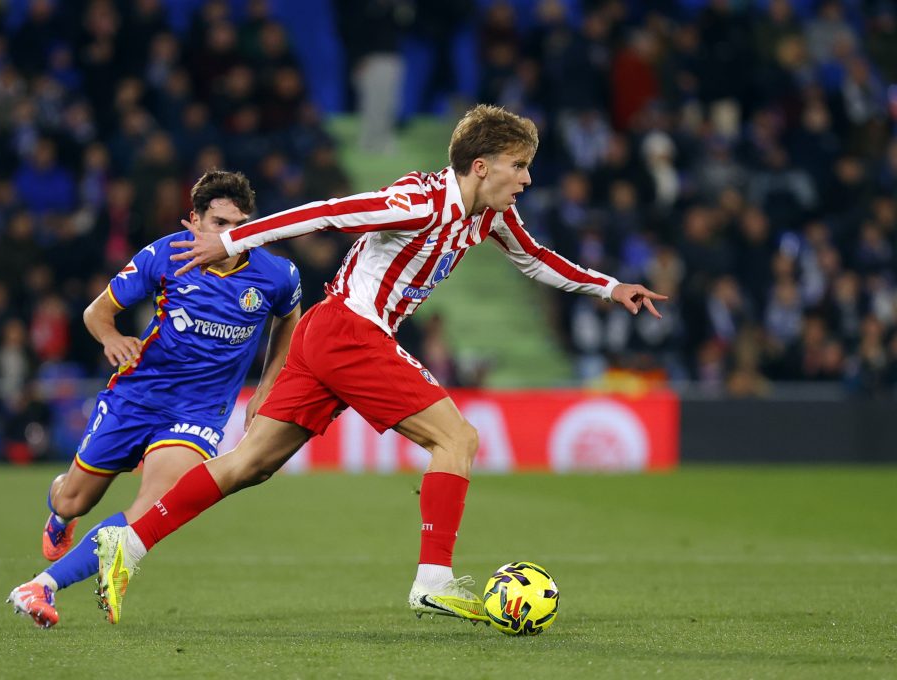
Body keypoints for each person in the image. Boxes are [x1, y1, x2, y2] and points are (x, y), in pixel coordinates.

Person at [95, 105, 665, 625]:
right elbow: (326, 213)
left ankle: (130, 542)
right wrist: (234, 241)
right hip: (350, 330)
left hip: (329, 333)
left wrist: (611, 288)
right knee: (458, 439)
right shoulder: (418, 202)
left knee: (249, 465)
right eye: (518, 166)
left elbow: (536, 259)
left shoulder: (487, 216)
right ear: (481, 165)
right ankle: (433, 581)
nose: (527, 178)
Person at [6, 169, 302, 627]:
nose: (232, 235)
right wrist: (111, 338)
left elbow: (289, 323)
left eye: (240, 223)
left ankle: (42, 585)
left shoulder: (277, 273)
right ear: (195, 222)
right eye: (220, 223)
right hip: (135, 397)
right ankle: (59, 510)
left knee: (152, 506)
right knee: (73, 501)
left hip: (197, 414)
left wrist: (266, 386)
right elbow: (96, 312)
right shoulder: (164, 254)